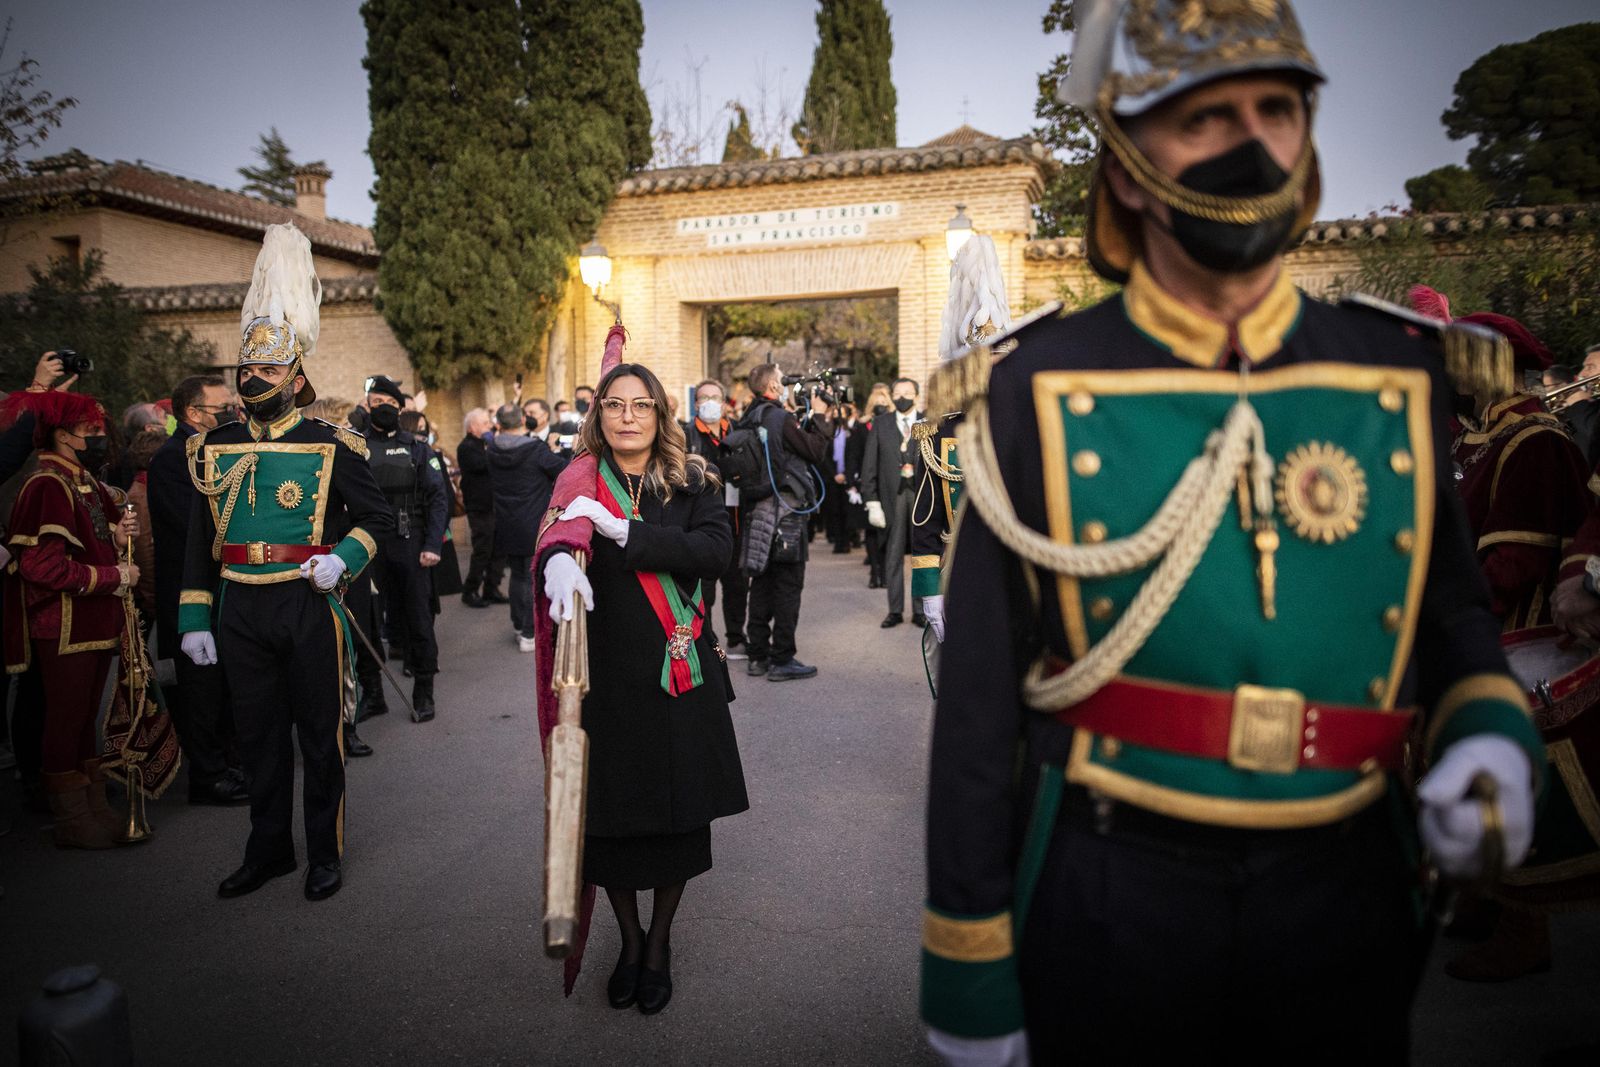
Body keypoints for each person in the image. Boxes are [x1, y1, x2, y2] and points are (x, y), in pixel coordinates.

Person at [920, 3, 1543, 1061]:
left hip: (1347, 881)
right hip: (1112, 883)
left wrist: (1488, 731)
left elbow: (1449, 615)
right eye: (1201, 117)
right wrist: (968, 970)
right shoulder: (1031, 387)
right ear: (1125, 168)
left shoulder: (1395, 370)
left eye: (1275, 110)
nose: (1249, 143)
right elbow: (979, 708)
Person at [178, 223, 391, 901]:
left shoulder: (332, 443)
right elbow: (198, 542)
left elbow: (378, 520)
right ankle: (268, 849)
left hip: (307, 600)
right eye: (247, 370)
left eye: (268, 371)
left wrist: (342, 561)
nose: (254, 380)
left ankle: (324, 850)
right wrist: (195, 618)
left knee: (319, 738)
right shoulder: (214, 446)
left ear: (295, 377)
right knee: (258, 737)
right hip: (240, 603)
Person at [535, 361, 747, 1015]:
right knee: (612, 823)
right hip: (605, 679)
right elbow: (555, 534)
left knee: (678, 817)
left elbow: (716, 553)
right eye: (614, 405)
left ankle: (658, 944)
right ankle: (628, 942)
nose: (627, 416)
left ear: (660, 414)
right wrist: (556, 562)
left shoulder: (694, 479)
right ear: (598, 415)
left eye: (641, 405)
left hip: (678, 673)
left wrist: (629, 533)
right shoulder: (578, 478)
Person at [2, 391, 140, 848]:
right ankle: (71, 817)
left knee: (84, 720)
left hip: (93, 619)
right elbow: (40, 568)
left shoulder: (84, 483)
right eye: (91, 430)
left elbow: (93, 543)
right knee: (66, 719)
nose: (100, 437)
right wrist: (114, 575)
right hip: (62, 623)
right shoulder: (47, 485)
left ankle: (93, 807)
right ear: (62, 436)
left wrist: (117, 540)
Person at [147, 374, 252, 801]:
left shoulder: (216, 449)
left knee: (222, 683)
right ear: (193, 412)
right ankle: (207, 776)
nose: (232, 413)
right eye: (222, 408)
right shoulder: (173, 458)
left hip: (222, 587)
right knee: (200, 687)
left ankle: (229, 761)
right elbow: (195, 524)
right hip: (190, 588)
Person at [362, 374, 447, 722]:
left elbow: (438, 498)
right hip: (366, 544)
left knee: (418, 618)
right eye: (377, 403)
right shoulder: (354, 447)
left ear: (400, 408)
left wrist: (432, 544)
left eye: (390, 403)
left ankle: (424, 691)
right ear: (367, 406)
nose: (383, 408)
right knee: (367, 622)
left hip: (409, 541)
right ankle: (372, 694)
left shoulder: (417, 448)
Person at [739, 364, 829, 681]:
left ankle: (757, 656)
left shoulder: (750, 416)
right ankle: (782, 658)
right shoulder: (779, 417)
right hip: (785, 513)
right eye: (782, 379)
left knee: (761, 586)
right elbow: (815, 450)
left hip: (758, 511)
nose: (788, 383)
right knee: (788, 587)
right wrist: (821, 415)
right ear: (774, 387)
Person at [488, 402, 568, 652]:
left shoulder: (492, 448)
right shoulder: (535, 449)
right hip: (533, 521)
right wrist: (557, 450)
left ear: (499, 423)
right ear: (523, 419)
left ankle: (518, 625)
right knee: (532, 578)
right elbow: (563, 470)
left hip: (506, 521)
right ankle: (528, 632)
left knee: (518, 575)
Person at [684, 378, 749, 655]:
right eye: (704, 398)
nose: (709, 402)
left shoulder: (738, 432)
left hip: (735, 519)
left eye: (715, 397)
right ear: (696, 404)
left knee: (737, 584)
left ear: (723, 404)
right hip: (701, 523)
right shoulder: (686, 435)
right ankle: (706, 641)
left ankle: (736, 636)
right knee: (704, 587)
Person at [861, 377, 925, 628]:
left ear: (916, 396)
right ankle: (895, 610)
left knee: (922, 555)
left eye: (907, 392)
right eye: (897, 392)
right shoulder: (881, 423)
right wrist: (871, 500)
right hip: (892, 497)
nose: (902, 397)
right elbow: (869, 464)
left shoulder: (928, 421)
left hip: (921, 496)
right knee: (893, 554)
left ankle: (920, 610)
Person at [457, 408, 506, 608]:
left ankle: (491, 588)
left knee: (499, 549)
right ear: (472, 427)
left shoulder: (487, 444)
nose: (489, 426)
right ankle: (470, 590)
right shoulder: (467, 447)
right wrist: (493, 446)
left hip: (495, 504)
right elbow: (482, 464)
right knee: (483, 550)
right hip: (479, 506)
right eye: (485, 423)